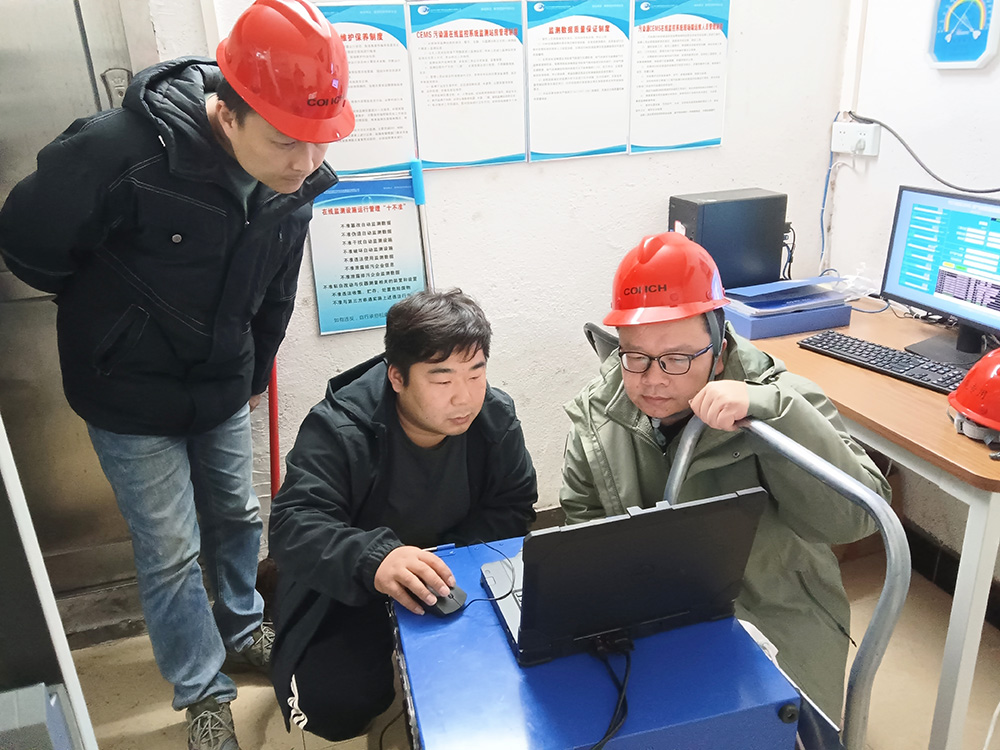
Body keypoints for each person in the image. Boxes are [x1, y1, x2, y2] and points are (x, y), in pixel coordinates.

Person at [0, 1, 354, 748]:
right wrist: (111, 316)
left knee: (239, 516)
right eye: (285, 140)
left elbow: (277, 289)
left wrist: (253, 370)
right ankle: (201, 690)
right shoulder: (121, 150)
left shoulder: (294, 185)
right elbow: (28, 244)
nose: (305, 163)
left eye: (319, 141)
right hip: (125, 390)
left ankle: (242, 627)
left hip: (220, 380)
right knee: (169, 548)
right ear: (227, 112)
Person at [559, 231, 890, 720]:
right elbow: (582, 529)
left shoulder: (782, 399)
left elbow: (856, 520)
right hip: (647, 615)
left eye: (676, 358)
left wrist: (773, 414)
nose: (653, 379)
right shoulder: (598, 414)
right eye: (635, 356)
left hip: (771, 614)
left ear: (718, 348)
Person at [267, 289, 537, 741]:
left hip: (449, 569)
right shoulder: (339, 428)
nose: (465, 398)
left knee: (506, 663)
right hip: (354, 580)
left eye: (476, 373)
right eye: (442, 380)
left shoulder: (493, 416)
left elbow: (513, 503)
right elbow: (293, 524)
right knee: (334, 706)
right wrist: (376, 559)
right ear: (397, 377)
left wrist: (447, 562)